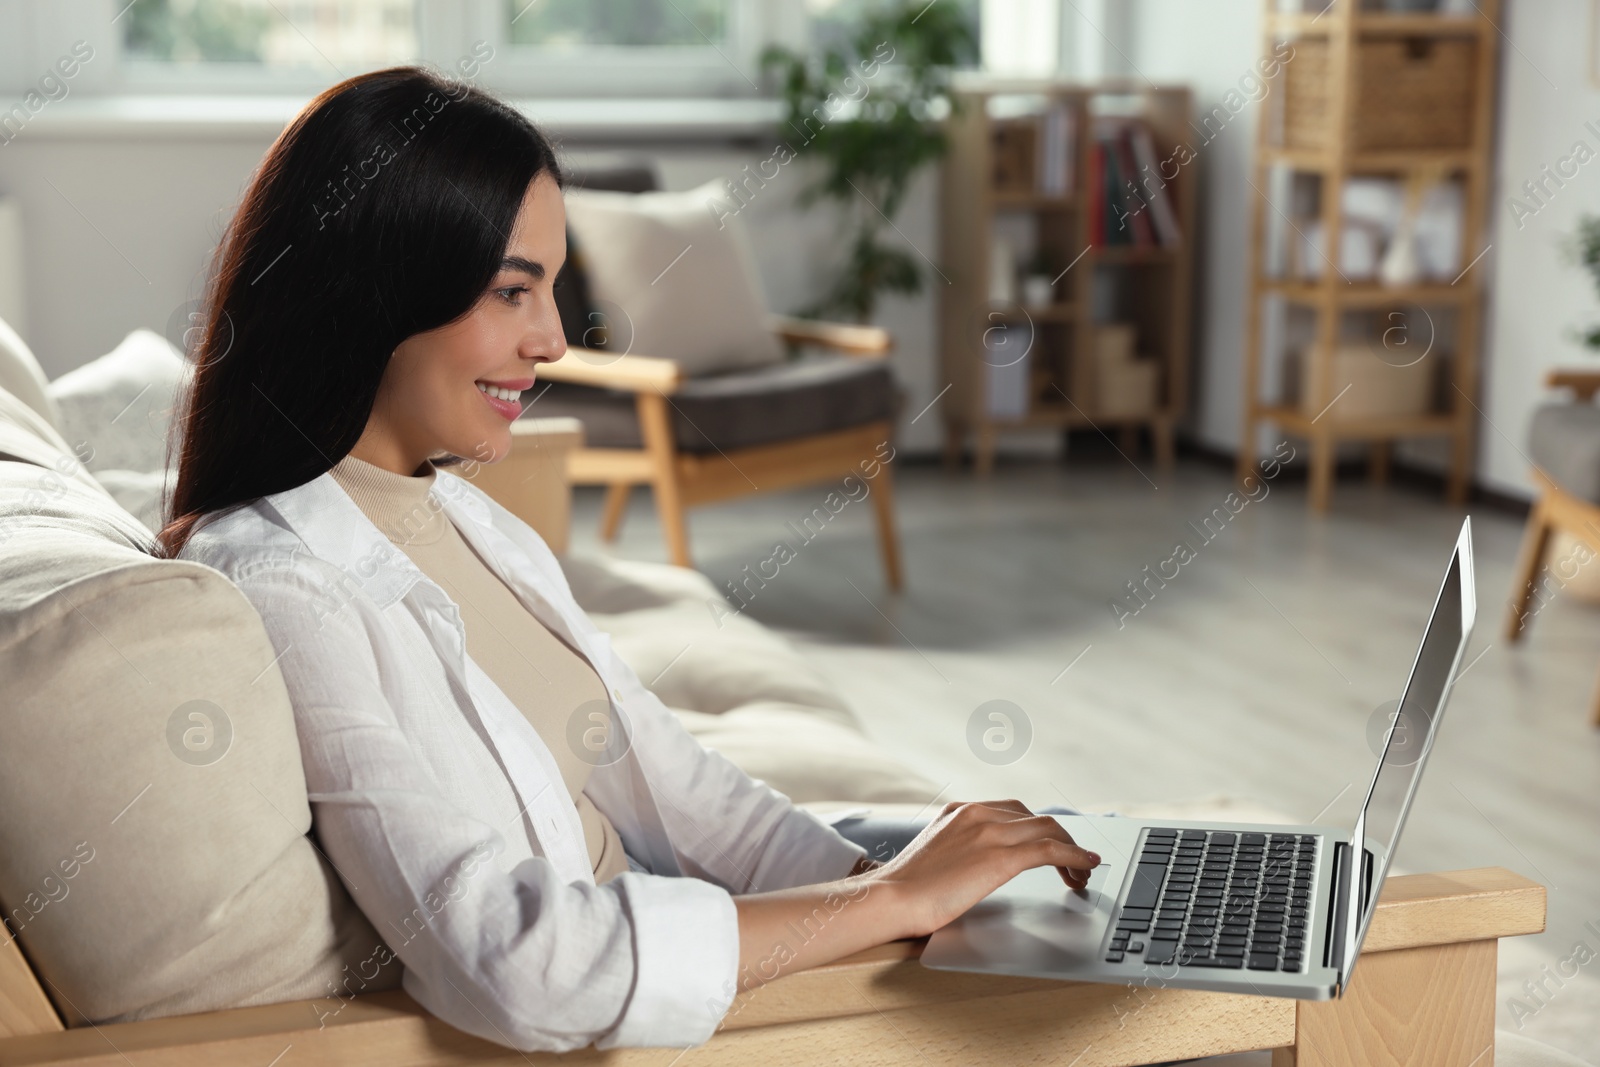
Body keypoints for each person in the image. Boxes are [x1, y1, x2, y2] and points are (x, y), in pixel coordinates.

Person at [159, 66, 1100, 1054]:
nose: (555, 338)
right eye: (511, 289)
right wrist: (896, 896)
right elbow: (514, 961)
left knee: (1073, 869)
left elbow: (687, 790)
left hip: (735, 956)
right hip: (677, 1020)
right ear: (370, 290)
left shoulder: (472, 521)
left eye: (550, 288)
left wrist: (913, 896)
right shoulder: (287, 585)